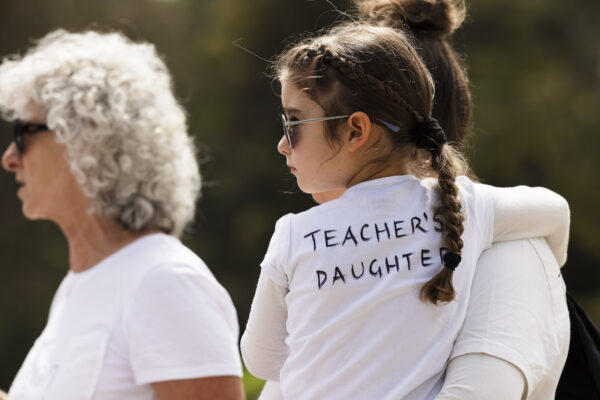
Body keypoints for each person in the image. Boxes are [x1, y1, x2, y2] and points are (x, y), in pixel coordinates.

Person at [240, 1, 570, 398]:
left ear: (355, 130)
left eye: (293, 123)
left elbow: (260, 360)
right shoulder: (464, 208)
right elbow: (556, 210)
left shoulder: (293, 234)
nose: (281, 144)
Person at [0, 30, 244, 399]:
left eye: (23, 131)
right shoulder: (77, 286)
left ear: (88, 136)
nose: (9, 157)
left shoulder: (165, 280)